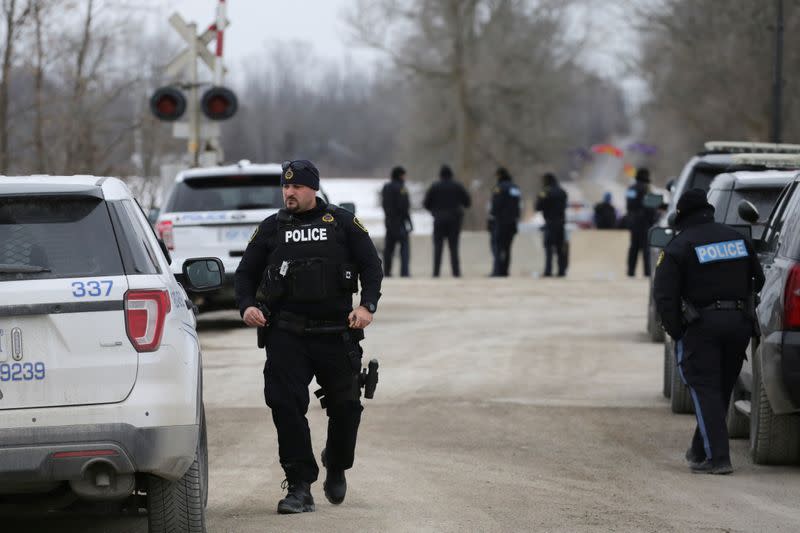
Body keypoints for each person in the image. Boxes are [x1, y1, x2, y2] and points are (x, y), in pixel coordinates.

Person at [234, 159, 383, 513]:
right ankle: (300, 485)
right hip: (287, 334)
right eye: (286, 187)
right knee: (285, 405)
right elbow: (245, 274)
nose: (289, 192)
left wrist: (367, 307)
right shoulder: (271, 228)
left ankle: (337, 463)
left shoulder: (342, 223)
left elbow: (371, 265)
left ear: (313, 189)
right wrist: (246, 307)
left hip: (336, 333)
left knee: (346, 407)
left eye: (297, 186)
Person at [653, 188, 764, 474]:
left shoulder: (679, 246)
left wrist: (678, 331)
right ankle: (699, 451)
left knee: (704, 390)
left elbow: (664, 297)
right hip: (739, 324)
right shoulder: (738, 238)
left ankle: (719, 458)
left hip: (702, 327)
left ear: (682, 214)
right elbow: (759, 279)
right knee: (721, 388)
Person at [423, 164, 471, 277]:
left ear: (440, 175)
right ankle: (456, 273)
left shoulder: (434, 186)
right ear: (451, 175)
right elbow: (467, 202)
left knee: (438, 247)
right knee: (454, 247)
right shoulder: (457, 186)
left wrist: (434, 211)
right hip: (454, 220)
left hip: (439, 220)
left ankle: (436, 273)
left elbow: (426, 203)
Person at [625, 167, 658, 277]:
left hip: (634, 222)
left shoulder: (631, 189)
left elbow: (628, 205)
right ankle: (647, 273)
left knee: (633, 247)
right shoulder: (648, 189)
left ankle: (631, 271)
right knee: (646, 249)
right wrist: (653, 220)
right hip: (645, 223)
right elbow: (653, 208)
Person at [489, 167, 521, 276]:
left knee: (497, 246)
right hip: (512, 222)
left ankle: (497, 270)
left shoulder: (499, 188)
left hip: (501, 221)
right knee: (508, 247)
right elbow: (518, 205)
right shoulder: (515, 188)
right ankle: (505, 270)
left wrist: (492, 216)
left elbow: (496, 204)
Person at [381, 166, 412, 277]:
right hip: (400, 223)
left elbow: (384, 205)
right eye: (404, 175)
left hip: (389, 222)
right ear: (400, 175)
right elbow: (405, 207)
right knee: (404, 249)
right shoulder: (402, 188)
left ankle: (387, 271)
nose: (405, 177)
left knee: (389, 249)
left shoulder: (386, 187)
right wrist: (409, 222)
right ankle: (404, 272)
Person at [535, 172, 568, 277]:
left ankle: (548, 271)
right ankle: (561, 271)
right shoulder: (562, 192)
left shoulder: (545, 192)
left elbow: (538, 207)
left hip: (550, 223)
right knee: (560, 248)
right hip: (561, 223)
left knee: (548, 248)